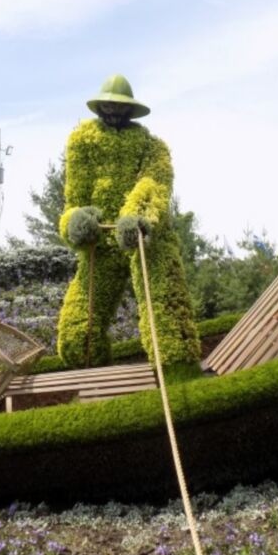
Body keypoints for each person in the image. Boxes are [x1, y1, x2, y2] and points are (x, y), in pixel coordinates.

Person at [56, 74, 200, 368]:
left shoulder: (152, 146)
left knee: (170, 327)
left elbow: (155, 185)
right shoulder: (81, 142)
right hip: (102, 247)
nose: (113, 111)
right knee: (76, 339)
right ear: (100, 107)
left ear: (129, 109)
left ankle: (178, 373)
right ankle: (95, 382)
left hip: (147, 241)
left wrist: (137, 217)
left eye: (119, 106)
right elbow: (72, 204)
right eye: (108, 106)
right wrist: (75, 223)